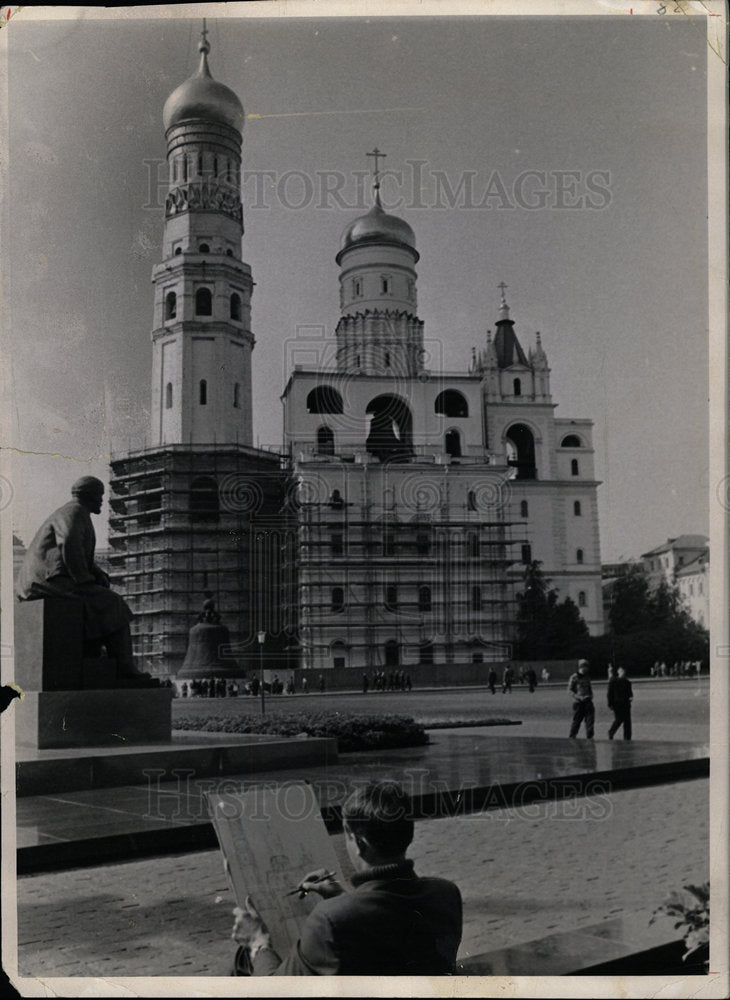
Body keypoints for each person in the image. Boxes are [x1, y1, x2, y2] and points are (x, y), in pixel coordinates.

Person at [231, 780, 463, 976]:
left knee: (241, 963)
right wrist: (347, 898)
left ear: (359, 842)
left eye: (347, 835)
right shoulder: (446, 893)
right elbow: (387, 924)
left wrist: (257, 944)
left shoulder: (330, 919)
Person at [16, 476, 154, 686]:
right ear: (87, 495)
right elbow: (69, 542)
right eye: (99, 496)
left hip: (46, 582)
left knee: (97, 604)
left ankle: (97, 658)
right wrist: (84, 579)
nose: (101, 500)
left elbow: (73, 548)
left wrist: (96, 572)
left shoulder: (71, 512)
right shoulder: (75, 511)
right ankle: (125, 669)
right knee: (114, 605)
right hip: (48, 584)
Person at [568, 660, 595, 739]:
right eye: (583, 667)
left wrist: (590, 695)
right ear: (579, 667)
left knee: (590, 723)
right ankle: (572, 738)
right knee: (576, 723)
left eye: (586, 667)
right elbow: (569, 690)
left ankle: (590, 739)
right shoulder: (574, 677)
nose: (584, 669)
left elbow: (589, 688)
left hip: (588, 702)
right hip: (578, 703)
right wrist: (578, 697)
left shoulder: (587, 676)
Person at [607, 666, 633, 740]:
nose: (623, 672)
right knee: (619, 719)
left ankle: (627, 738)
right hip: (617, 704)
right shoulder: (614, 681)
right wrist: (610, 704)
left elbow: (630, 693)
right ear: (618, 672)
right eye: (621, 671)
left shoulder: (628, 682)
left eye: (624, 671)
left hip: (626, 704)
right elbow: (609, 693)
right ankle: (611, 732)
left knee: (627, 722)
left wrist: (631, 697)